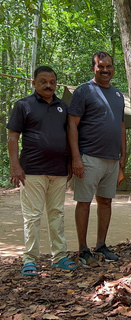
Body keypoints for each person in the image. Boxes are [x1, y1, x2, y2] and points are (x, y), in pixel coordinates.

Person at [7, 66, 77, 275]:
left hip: (58, 170)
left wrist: (72, 162)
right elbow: (13, 137)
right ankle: (30, 259)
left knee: (57, 213)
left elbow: (68, 137)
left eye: (52, 82)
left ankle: (60, 256)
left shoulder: (63, 107)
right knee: (33, 216)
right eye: (43, 81)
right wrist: (15, 166)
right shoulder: (23, 105)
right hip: (32, 170)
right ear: (34, 83)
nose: (48, 85)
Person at [68, 51, 127, 267]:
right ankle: (83, 249)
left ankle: (101, 245)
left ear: (113, 68)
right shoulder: (84, 91)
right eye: (100, 66)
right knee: (84, 202)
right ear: (93, 68)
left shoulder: (119, 95)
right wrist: (76, 158)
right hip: (89, 157)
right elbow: (72, 125)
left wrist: (124, 155)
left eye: (108, 66)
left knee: (106, 201)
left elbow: (121, 127)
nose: (105, 70)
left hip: (112, 160)